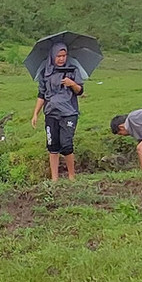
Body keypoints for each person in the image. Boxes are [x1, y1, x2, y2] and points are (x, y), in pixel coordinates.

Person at [30, 42, 84, 181]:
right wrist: (35, 113)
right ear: (53, 56)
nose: (61, 59)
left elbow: (80, 91)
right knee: (52, 145)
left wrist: (72, 84)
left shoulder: (72, 70)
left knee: (66, 144)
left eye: (64, 55)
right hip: (51, 113)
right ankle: (54, 179)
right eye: (58, 56)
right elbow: (42, 94)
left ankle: (72, 176)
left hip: (68, 113)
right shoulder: (45, 73)